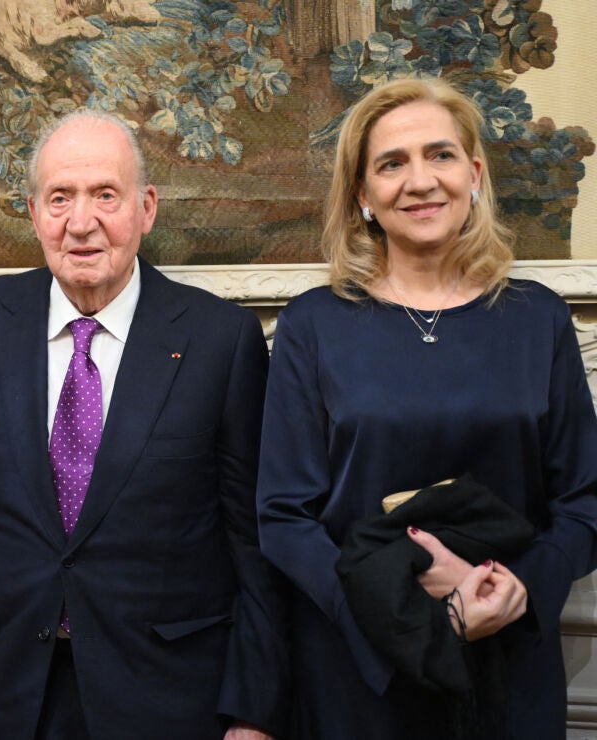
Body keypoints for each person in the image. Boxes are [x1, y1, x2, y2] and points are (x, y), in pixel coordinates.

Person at [0, 110, 289, 739]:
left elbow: (253, 543)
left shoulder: (219, 339)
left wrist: (253, 709)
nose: (81, 223)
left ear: (146, 208)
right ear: (34, 212)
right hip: (6, 687)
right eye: (60, 198)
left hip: (168, 692)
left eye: (105, 196)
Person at [256, 77, 597, 738]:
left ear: (473, 174)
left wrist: (511, 590)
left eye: (439, 155)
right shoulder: (314, 325)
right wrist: (397, 608)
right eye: (391, 163)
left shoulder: (538, 321)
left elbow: (584, 501)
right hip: (359, 671)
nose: (420, 181)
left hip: (506, 662)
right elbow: (282, 516)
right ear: (362, 195)